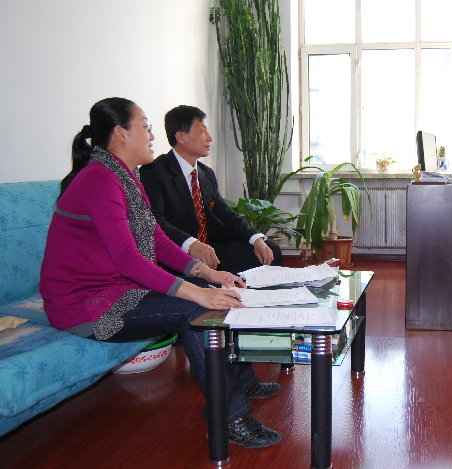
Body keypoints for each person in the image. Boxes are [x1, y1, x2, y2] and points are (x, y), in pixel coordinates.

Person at [39, 97, 282, 448]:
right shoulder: (100, 180)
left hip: (118, 290)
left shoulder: (124, 177)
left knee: (221, 294)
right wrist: (198, 292)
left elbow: (155, 237)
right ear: (121, 133)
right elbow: (127, 259)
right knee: (197, 309)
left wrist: (208, 275)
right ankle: (229, 417)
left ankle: (243, 382)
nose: (153, 135)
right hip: (88, 306)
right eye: (146, 126)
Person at [139, 105, 282, 276]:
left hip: (210, 250)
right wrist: (191, 244)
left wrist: (256, 238)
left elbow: (225, 214)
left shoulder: (205, 173)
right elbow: (155, 222)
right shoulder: (154, 171)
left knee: (270, 250)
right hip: (178, 252)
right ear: (181, 137)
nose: (210, 138)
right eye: (202, 131)